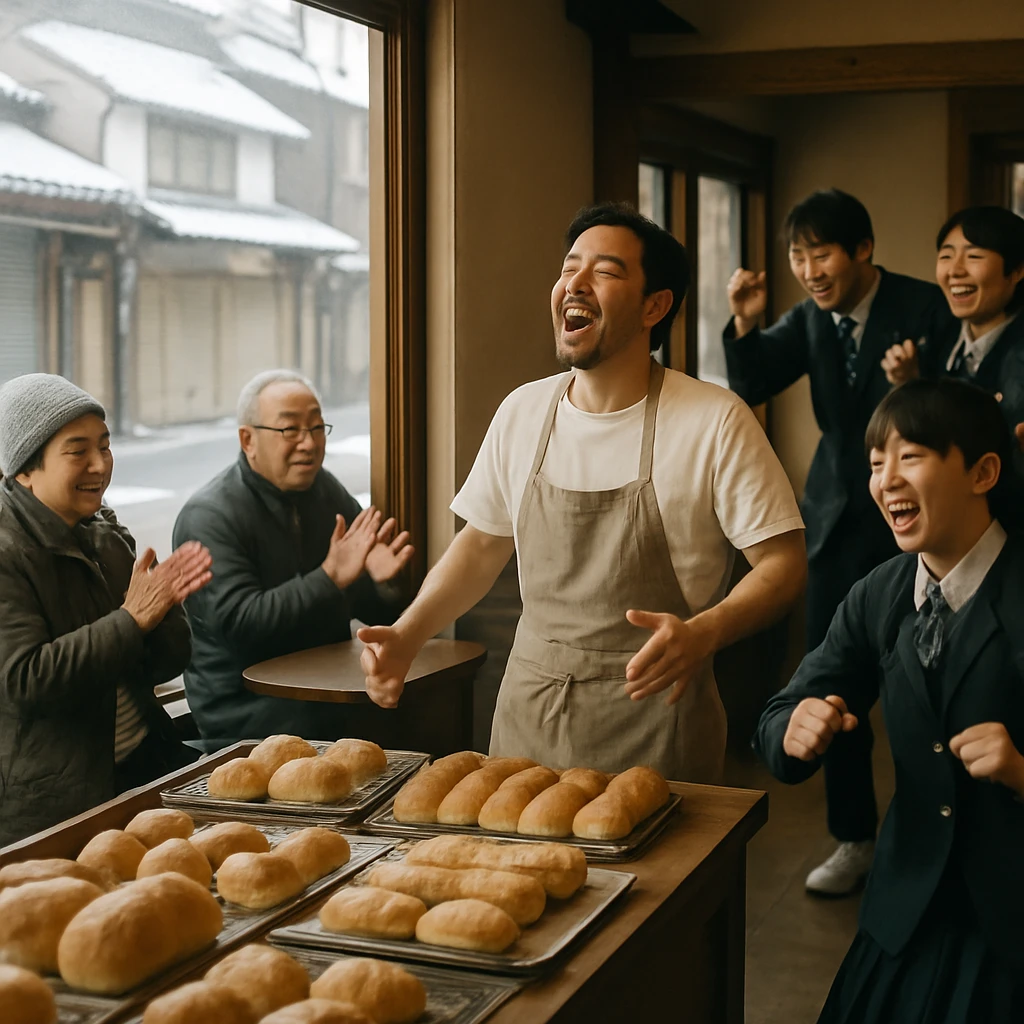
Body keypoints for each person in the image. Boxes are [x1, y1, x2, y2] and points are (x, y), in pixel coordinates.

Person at [357, 202, 807, 783]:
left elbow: (783, 563)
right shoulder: (523, 411)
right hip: (528, 721)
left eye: (606, 271)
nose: (575, 282)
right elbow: (480, 546)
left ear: (655, 306)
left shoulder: (714, 420)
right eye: (570, 266)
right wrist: (407, 634)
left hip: (655, 724)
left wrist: (703, 634)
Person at [754, 378, 1024, 1022]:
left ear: (983, 471)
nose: (886, 481)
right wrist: (795, 725)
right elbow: (780, 713)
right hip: (905, 909)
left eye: (911, 457)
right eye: (877, 463)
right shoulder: (879, 592)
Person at [724, 188, 954, 895]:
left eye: (820, 252)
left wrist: (918, 388)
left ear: (863, 250)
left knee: (935, 680)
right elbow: (755, 377)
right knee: (835, 689)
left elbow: (965, 410)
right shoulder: (811, 319)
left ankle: (945, 838)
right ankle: (853, 838)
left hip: (922, 518)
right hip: (835, 519)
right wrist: (743, 323)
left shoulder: (927, 307)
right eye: (798, 255)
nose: (808, 268)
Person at [0, 373, 211, 846]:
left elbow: (167, 662)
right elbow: (26, 680)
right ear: (25, 471)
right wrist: (132, 619)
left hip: (143, 768)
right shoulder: (7, 552)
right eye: (78, 451)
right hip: (56, 806)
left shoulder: (102, 531)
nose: (100, 465)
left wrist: (164, 610)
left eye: (105, 446)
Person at [172, 370, 412, 747]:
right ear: (247, 439)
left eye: (317, 428)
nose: (309, 443)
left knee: (414, 703)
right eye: (290, 430)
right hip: (248, 711)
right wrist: (330, 576)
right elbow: (241, 624)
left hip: (324, 691)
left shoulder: (326, 491)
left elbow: (369, 610)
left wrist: (382, 584)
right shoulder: (209, 517)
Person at [882, 205, 1024, 470]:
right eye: (946, 256)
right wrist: (911, 383)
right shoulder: (934, 340)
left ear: (1016, 271)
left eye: (974, 256)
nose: (955, 271)